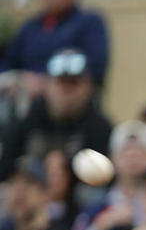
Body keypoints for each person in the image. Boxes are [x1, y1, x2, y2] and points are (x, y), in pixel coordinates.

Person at [0, 48, 112, 181]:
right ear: (48, 85)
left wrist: (65, 171)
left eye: (73, 83)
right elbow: (6, 166)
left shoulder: (100, 128)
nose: (66, 91)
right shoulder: (29, 119)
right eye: (61, 83)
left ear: (88, 87)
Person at [0, 0, 110, 88]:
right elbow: (8, 64)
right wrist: (19, 79)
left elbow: (95, 68)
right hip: (28, 99)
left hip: (69, 95)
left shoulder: (89, 22)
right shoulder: (30, 27)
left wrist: (45, 81)